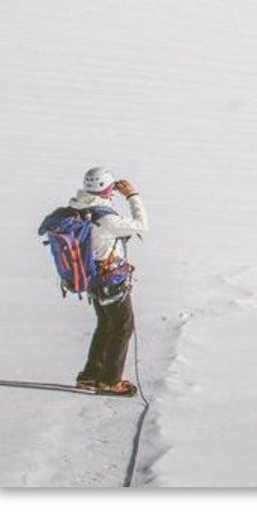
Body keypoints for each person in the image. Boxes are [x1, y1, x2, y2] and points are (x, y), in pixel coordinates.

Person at [72, 168, 148, 395]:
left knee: (106, 325)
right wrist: (133, 196)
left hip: (93, 277)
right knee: (123, 327)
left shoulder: (79, 205)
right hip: (108, 279)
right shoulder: (104, 216)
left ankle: (90, 376)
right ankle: (110, 381)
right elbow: (141, 224)